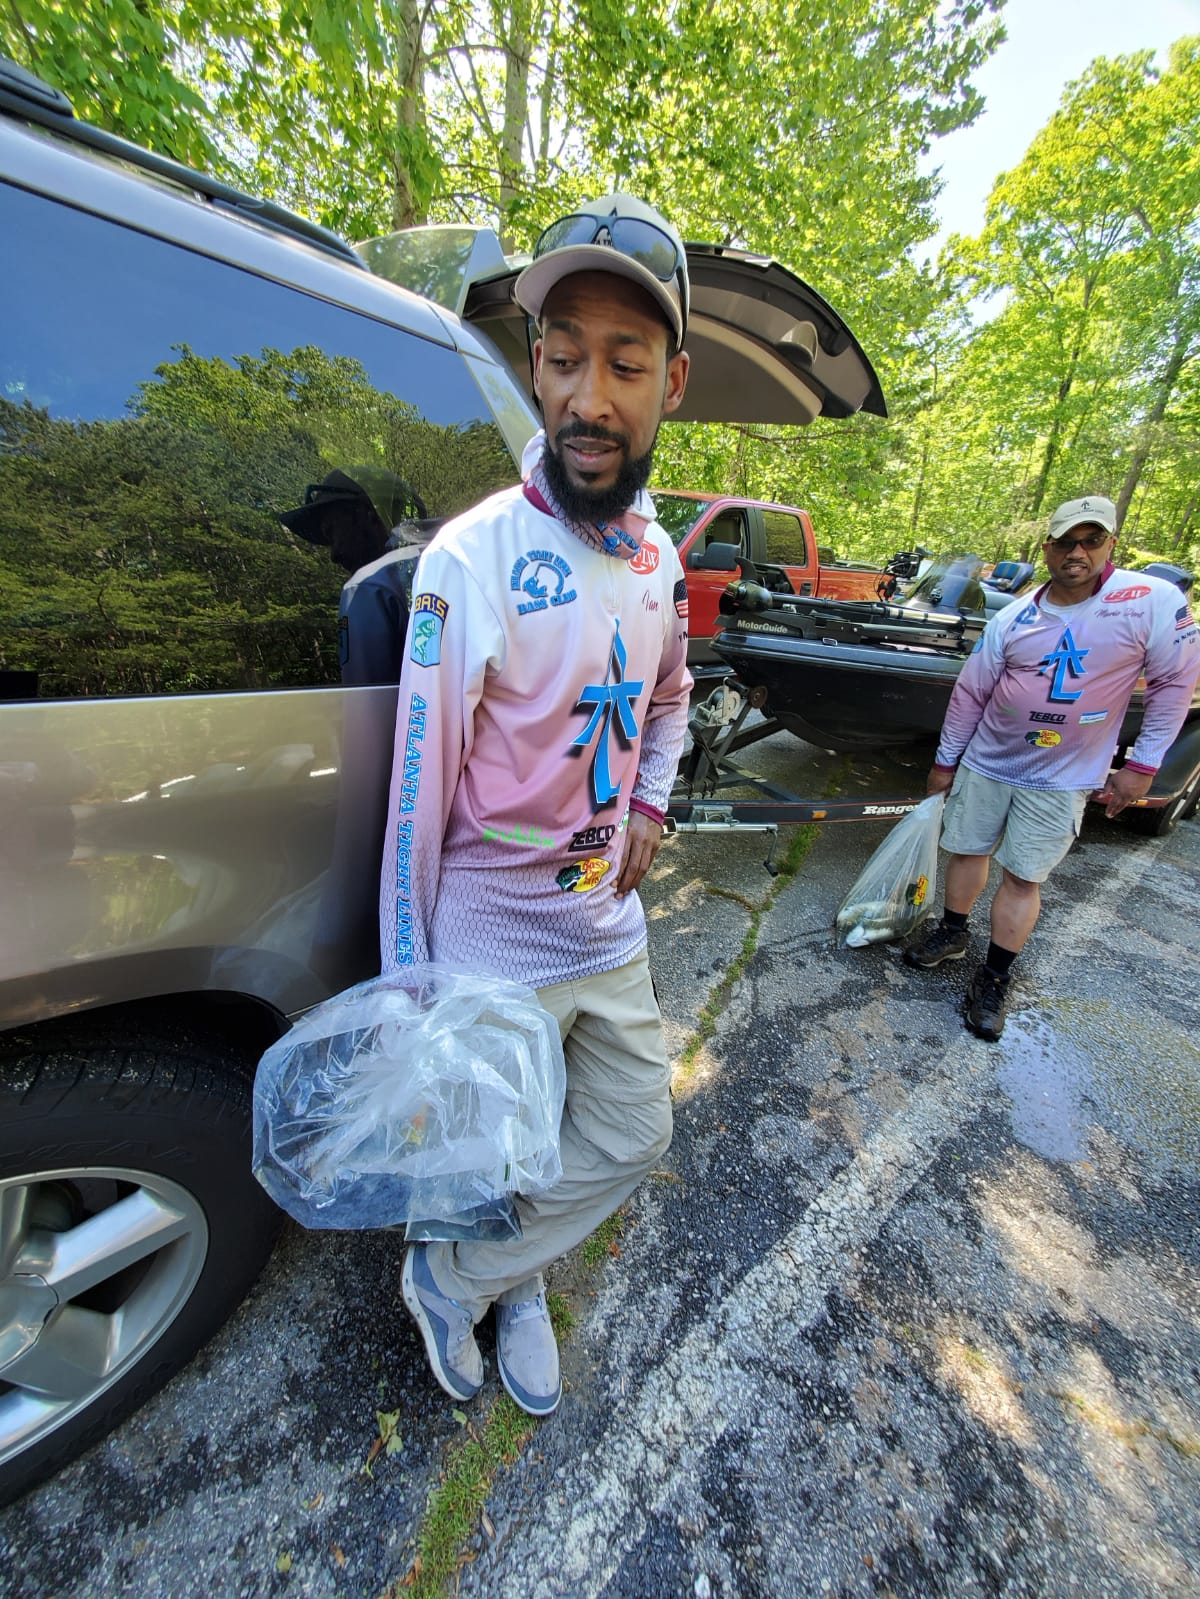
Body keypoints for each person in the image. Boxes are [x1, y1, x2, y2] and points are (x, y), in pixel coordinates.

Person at [378, 195, 694, 1416]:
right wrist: (412, 986)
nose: (587, 399)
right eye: (563, 360)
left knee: (629, 1135)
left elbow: (668, 699)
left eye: (625, 364)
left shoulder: (663, 558)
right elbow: (415, 799)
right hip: (490, 942)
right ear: (536, 365)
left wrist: (654, 803)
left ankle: (462, 1276)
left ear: (676, 379)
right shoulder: (474, 559)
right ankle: (499, 1282)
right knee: (494, 1153)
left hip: (605, 930)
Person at [904, 495, 1200, 1040]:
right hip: (989, 761)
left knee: (1024, 875)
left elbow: (1174, 686)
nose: (1077, 552)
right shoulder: (1016, 614)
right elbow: (972, 693)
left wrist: (1143, 765)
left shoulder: (1148, 602)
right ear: (1048, 548)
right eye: (1066, 541)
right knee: (967, 849)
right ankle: (951, 930)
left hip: (1063, 775)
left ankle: (994, 976)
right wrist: (946, 762)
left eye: (1091, 540)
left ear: (1111, 543)